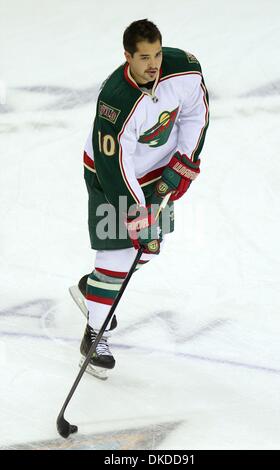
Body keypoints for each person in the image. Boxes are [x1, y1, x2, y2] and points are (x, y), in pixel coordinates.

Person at [78, 19, 209, 378]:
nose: (153, 65)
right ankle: (95, 334)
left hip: (159, 173)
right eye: (144, 58)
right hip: (111, 178)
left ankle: (94, 290)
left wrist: (184, 161)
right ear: (127, 57)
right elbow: (114, 166)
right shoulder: (116, 102)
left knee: (144, 249)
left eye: (157, 55)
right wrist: (138, 216)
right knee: (118, 250)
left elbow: (197, 113)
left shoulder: (184, 70)